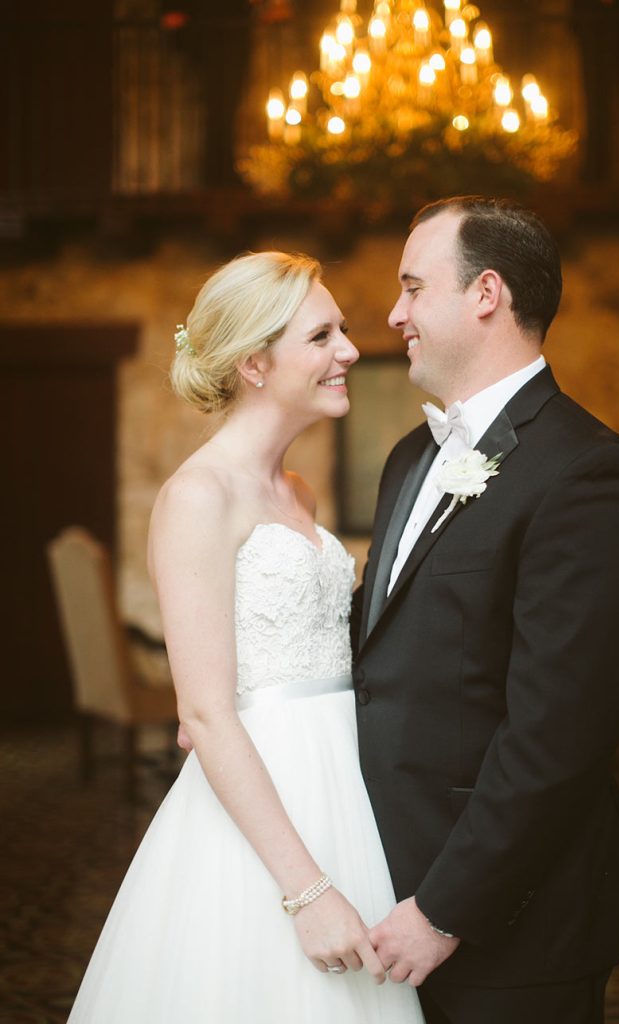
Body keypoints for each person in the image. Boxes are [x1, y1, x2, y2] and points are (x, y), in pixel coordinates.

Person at [67, 251, 424, 1023]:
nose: (349, 351)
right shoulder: (196, 497)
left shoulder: (297, 491)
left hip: (347, 780)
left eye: (341, 330)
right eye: (321, 336)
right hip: (269, 794)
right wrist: (308, 892)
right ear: (254, 364)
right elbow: (203, 713)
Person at [351, 197, 619, 1024]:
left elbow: (558, 732)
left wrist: (442, 910)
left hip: (514, 923)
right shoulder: (409, 458)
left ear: (485, 293)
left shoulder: (586, 473)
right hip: (381, 887)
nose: (395, 314)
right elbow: (380, 652)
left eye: (412, 287)